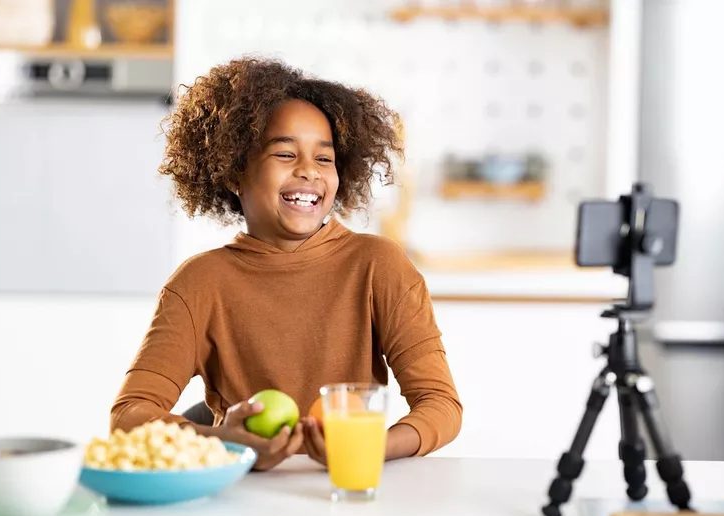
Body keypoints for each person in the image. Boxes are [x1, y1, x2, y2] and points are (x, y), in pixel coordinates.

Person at [110, 56, 462, 471]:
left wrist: (364, 447)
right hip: (239, 494)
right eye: (284, 153)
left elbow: (440, 406)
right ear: (234, 172)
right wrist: (221, 440)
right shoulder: (199, 283)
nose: (309, 171)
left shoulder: (379, 266)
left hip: (346, 486)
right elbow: (129, 415)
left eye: (324, 159)